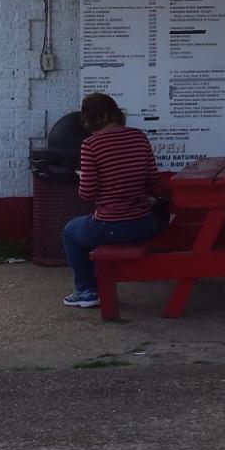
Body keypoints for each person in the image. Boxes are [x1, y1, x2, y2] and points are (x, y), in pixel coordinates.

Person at [60, 92, 170, 308]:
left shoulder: (91, 145)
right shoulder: (139, 137)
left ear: (88, 118)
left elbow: (87, 193)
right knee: (87, 228)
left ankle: (87, 290)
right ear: (116, 113)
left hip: (112, 225)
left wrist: (84, 178)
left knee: (70, 231)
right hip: (146, 224)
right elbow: (153, 181)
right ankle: (92, 285)